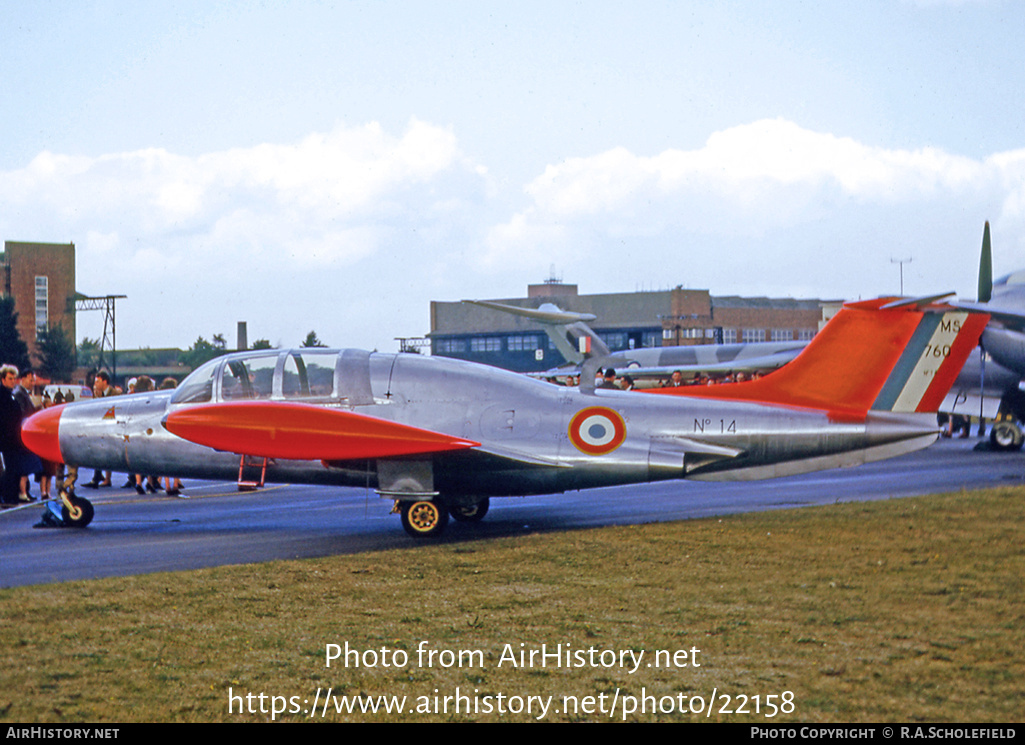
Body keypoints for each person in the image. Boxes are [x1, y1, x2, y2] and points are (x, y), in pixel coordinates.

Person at [84, 371, 117, 489]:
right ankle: (99, 477)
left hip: (112, 428)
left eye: (97, 381)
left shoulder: (115, 394)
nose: (95, 384)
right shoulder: (99, 394)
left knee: (110, 453)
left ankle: (132, 479)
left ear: (105, 382)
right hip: (101, 429)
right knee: (101, 452)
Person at [0, 365, 22, 505]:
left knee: (14, 468)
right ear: (3, 379)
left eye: (14, 379)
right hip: (5, 439)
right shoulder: (2, 396)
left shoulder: (11, 394)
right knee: (7, 469)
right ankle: (7, 496)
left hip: (13, 439)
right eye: (10, 378)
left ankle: (12, 495)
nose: (13, 381)